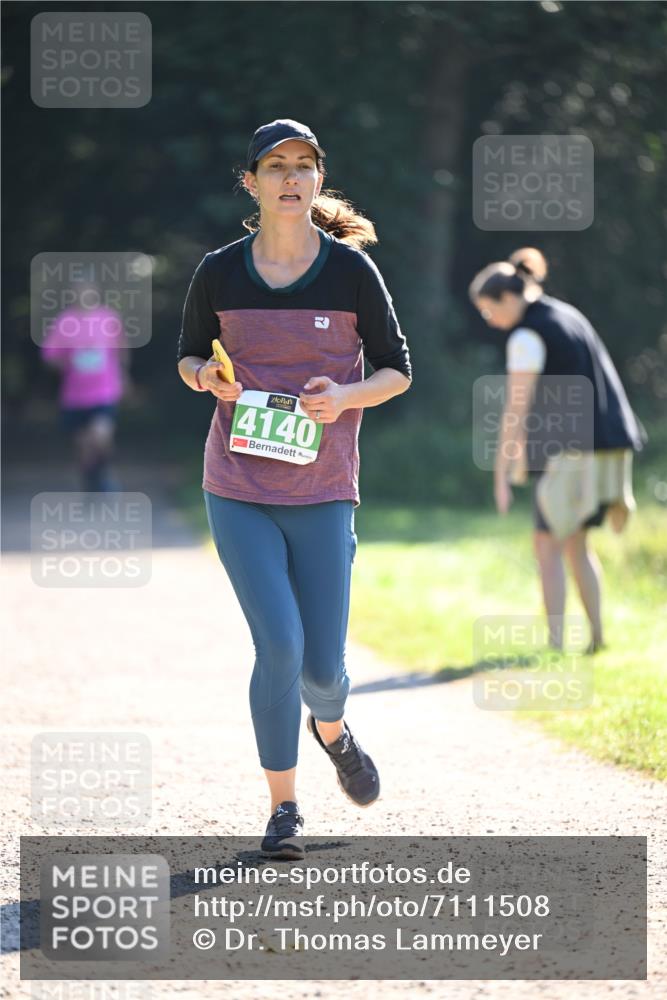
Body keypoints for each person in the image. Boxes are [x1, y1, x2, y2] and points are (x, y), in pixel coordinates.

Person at [177, 119, 412, 859]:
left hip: (323, 491)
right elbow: (187, 357)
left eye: (303, 166)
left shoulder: (349, 273)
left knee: (322, 670)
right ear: (251, 182)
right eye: (274, 166)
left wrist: (343, 398)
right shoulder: (219, 270)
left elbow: (396, 370)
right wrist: (203, 376)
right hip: (237, 486)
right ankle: (284, 810)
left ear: (318, 180)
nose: (289, 177)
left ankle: (333, 730)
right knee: (278, 646)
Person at [469, 248, 646, 654]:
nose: (489, 320)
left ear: (507, 299)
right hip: (610, 447)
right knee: (575, 543)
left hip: (572, 455)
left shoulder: (526, 335)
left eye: (487, 310)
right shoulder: (567, 314)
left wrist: (501, 472)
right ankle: (597, 638)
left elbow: (516, 406)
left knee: (546, 544)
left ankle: (554, 643)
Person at [41, 283, 129, 493]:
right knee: (84, 448)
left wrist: (124, 375)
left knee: (101, 436)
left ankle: (106, 475)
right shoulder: (65, 321)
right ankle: (91, 483)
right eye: (78, 290)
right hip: (75, 395)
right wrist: (69, 362)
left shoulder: (109, 318)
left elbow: (121, 349)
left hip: (105, 390)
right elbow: (49, 355)